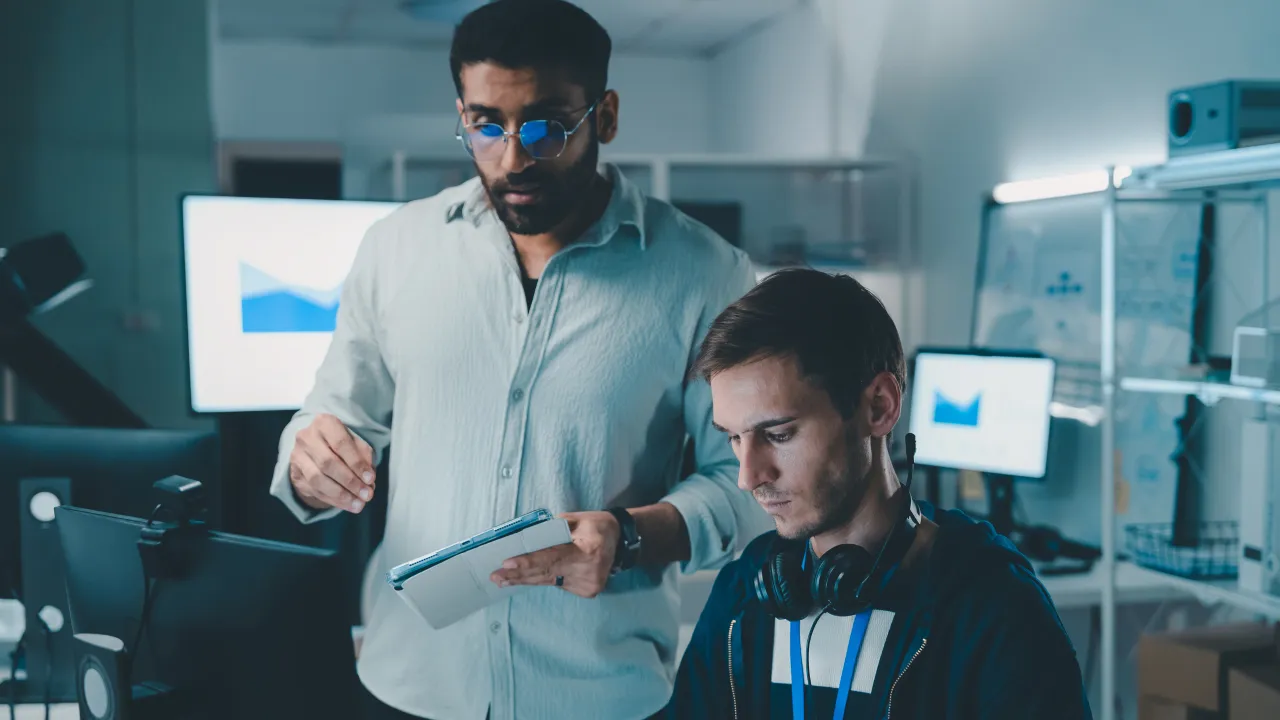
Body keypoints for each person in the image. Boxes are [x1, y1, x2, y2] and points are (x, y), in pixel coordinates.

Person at [268, 1, 766, 719]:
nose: (512, 157)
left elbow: (748, 485)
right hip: (410, 684)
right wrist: (309, 462)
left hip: (598, 695)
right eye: (485, 124)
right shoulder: (396, 248)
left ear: (607, 115)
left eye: (546, 126)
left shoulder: (705, 273)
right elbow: (331, 416)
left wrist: (627, 538)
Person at [668, 268, 1092, 719]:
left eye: (779, 434)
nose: (748, 477)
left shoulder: (992, 607)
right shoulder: (742, 597)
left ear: (879, 407)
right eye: (734, 438)